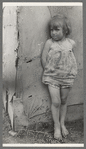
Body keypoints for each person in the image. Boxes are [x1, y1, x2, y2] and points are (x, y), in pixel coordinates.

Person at [41, 14, 77, 141]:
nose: (53, 33)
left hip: (67, 77)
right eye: (51, 30)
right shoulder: (49, 43)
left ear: (65, 30)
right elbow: (44, 58)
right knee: (55, 102)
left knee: (63, 100)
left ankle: (62, 124)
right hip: (52, 78)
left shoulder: (71, 43)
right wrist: (49, 71)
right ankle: (56, 126)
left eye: (57, 29)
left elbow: (71, 60)